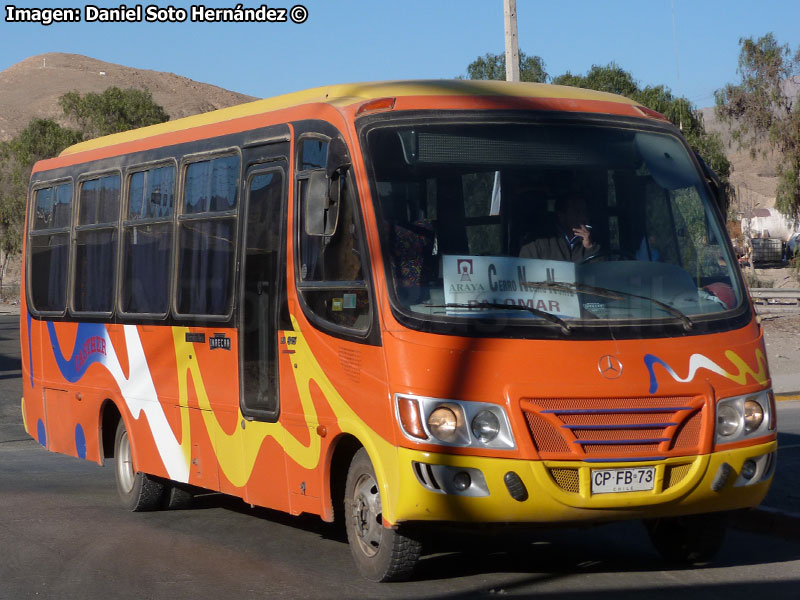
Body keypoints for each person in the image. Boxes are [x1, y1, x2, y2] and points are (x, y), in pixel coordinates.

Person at [519, 193, 600, 262]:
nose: (583, 217)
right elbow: (525, 271)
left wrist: (590, 247)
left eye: (584, 211)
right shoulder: (538, 242)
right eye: (577, 212)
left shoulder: (592, 240)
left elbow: (601, 272)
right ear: (561, 216)